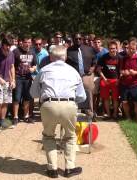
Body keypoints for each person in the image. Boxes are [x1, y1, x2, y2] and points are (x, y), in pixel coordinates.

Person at [30, 45, 86, 178]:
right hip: (69, 105)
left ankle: (52, 169)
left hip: (49, 105)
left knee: (48, 136)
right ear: (65, 57)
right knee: (70, 136)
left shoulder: (43, 70)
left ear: (50, 57)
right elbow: (82, 96)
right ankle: (69, 168)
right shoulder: (73, 71)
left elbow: (33, 93)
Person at [66, 33, 96, 115]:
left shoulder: (89, 49)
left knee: (89, 93)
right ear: (73, 40)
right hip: (74, 76)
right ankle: (72, 113)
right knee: (73, 94)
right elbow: (66, 63)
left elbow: (94, 61)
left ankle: (90, 113)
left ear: (82, 39)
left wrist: (93, 68)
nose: (78, 40)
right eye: (76, 39)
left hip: (87, 75)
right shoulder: (69, 50)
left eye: (79, 38)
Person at [12, 36, 37, 125]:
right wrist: (13, 79)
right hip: (18, 77)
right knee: (17, 98)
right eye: (26, 42)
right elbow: (12, 66)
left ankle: (26, 116)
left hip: (27, 78)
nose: (27, 44)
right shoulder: (16, 52)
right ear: (22, 42)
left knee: (27, 98)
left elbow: (35, 64)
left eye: (29, 42)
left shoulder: (32, 52)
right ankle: (15, 117)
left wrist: (33, 69)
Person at [119, 37, 137, 121]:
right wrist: (124, 72)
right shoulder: (123, 58)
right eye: (129, 48)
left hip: (135, 83)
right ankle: (128, 117)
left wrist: (135, 72)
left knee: (136, 102)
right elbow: (120, 70)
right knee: (124, 102)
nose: (130, 50)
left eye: (133, 49)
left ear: (136, 49)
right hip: (124, 83)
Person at [97, 41, 121, 119]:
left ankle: (114, 114)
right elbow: (99, 69)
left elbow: (121, 71)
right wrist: (104, 78)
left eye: (114, 48)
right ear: (108, 49)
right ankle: (108, 114)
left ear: (116, 49)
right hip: (105, 80)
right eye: (110, 48)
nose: (112, 50)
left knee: (115, 98)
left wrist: (119, 80)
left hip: (116, 80)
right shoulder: (104, 57)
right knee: (106, 98)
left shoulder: (120, 57)